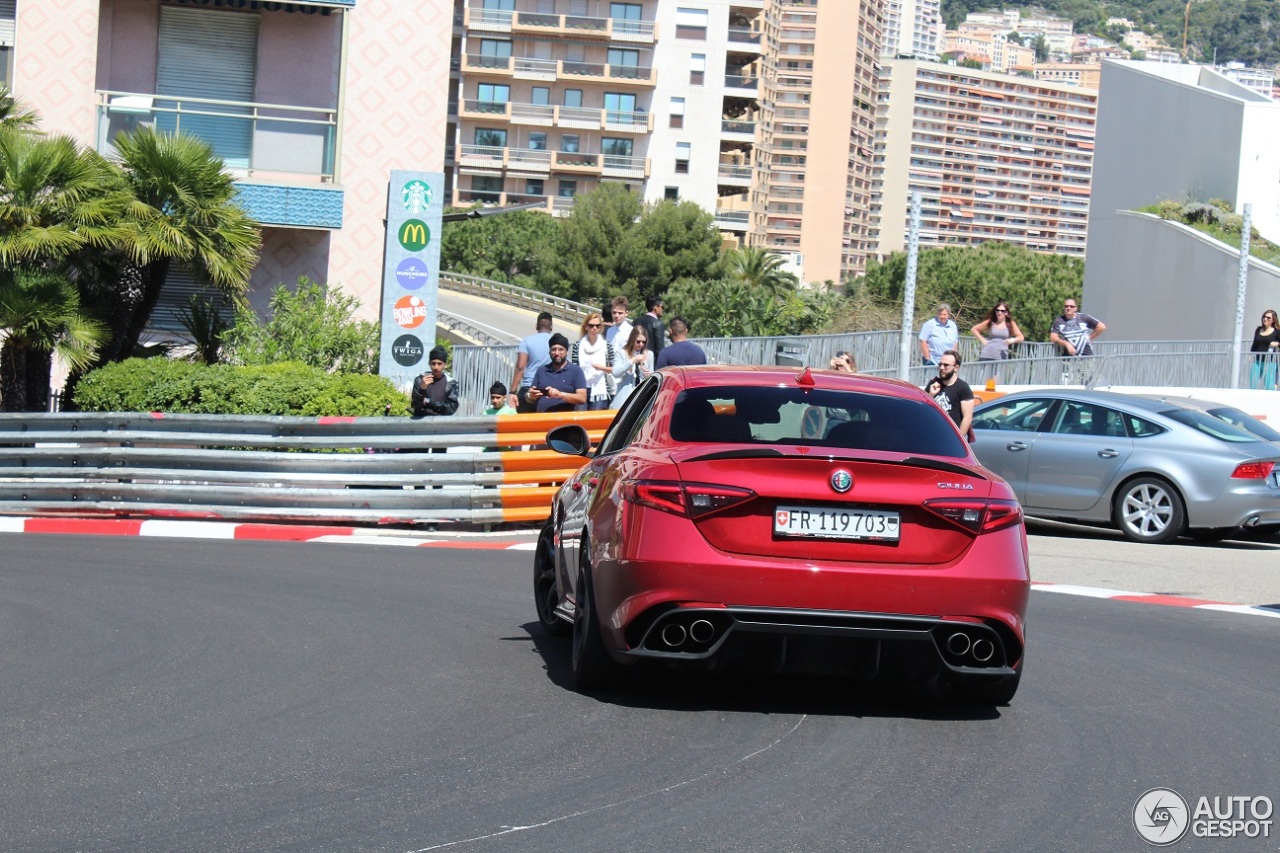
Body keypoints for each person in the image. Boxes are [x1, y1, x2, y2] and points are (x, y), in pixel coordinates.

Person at [527, 333, 588, 413]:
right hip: (542, 419)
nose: (556, 353)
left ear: (567, 352)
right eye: (553, 349)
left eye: (560, 349)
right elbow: (529, 397)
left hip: (564, 420)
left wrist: (561, 395)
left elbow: (582, 398)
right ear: (549, 352)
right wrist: (530, 395)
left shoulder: (576, 371)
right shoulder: (541, 370)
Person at [569, 312, 618, 410]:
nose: (594, 328)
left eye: (597, 326)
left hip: (600, 389)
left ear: (601, 327)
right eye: (591, 326)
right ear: (586, 327)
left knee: (595, 422)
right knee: (580, 419)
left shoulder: (606, 346)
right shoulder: (578, 346)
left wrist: (602, 368)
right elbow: (575, 367)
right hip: (581, 388)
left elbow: (614, 369)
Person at [923, 349, 974, 437]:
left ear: (956, 368)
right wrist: (931, 395)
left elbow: (967, 418)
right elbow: (922, 409)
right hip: (931, 434)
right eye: (940, 364)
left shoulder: (962, 388)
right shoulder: (933, 383)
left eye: (946, 365)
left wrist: (958, 441)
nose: (942, 368)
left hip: (950, 438)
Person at [510, 312, 554, 413]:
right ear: (551, 327)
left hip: (529, 387)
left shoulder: (527, 341)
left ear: (536, 326)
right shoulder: (556, 343)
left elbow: (520, 367)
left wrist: (513, 391)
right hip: (548, 389)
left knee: (525, 425)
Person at [611, 325, 653, 409]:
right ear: (632, 339)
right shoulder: (621, 353)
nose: (641, 344)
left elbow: (652, 375)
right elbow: (615, 373)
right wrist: (632, 361)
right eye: (638, 341)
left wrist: (649, 374)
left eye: (643, 342)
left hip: (641, 397)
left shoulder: (649, 354)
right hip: (624, 398)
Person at [410, 346, 459, 418]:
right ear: (429, 364)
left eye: (439, 364)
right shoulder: (420, 380)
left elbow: (451, 408)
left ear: (445, 365)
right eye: (433, 363)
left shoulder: (451, 383)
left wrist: (430, 403)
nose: (436, 367)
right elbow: (415, 405)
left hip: (441, 424)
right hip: (421, 424)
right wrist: (422, 389)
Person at [1250, 308, 1280, 390]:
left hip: (1270, 362)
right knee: (1253, 383)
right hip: (1257, 360)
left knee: (1269, 386)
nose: (1265, 319)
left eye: (1268, 317)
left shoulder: (1277, 331)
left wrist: (1277, 343)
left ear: (1273, 320)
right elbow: (1255, 344)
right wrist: (1251, 355)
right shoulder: (1258, 330)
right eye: (1264, 316)